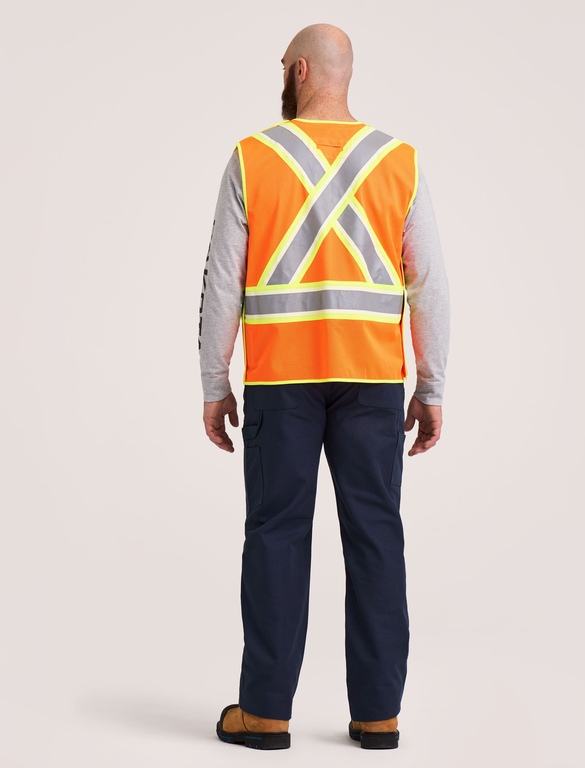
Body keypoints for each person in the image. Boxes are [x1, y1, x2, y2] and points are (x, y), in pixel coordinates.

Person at [198, 23, 450, 751]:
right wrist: (431, 385)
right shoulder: (397, 160)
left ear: (302, 71)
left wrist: (214, 381)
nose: (281, 75)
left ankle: (265, 714)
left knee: (276, 535)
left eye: (283, 66)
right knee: (376, 536)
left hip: (283, 380)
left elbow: (222, 281)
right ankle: (379, 716)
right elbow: (429, 282)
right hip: (371, 383)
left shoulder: (254, 157)